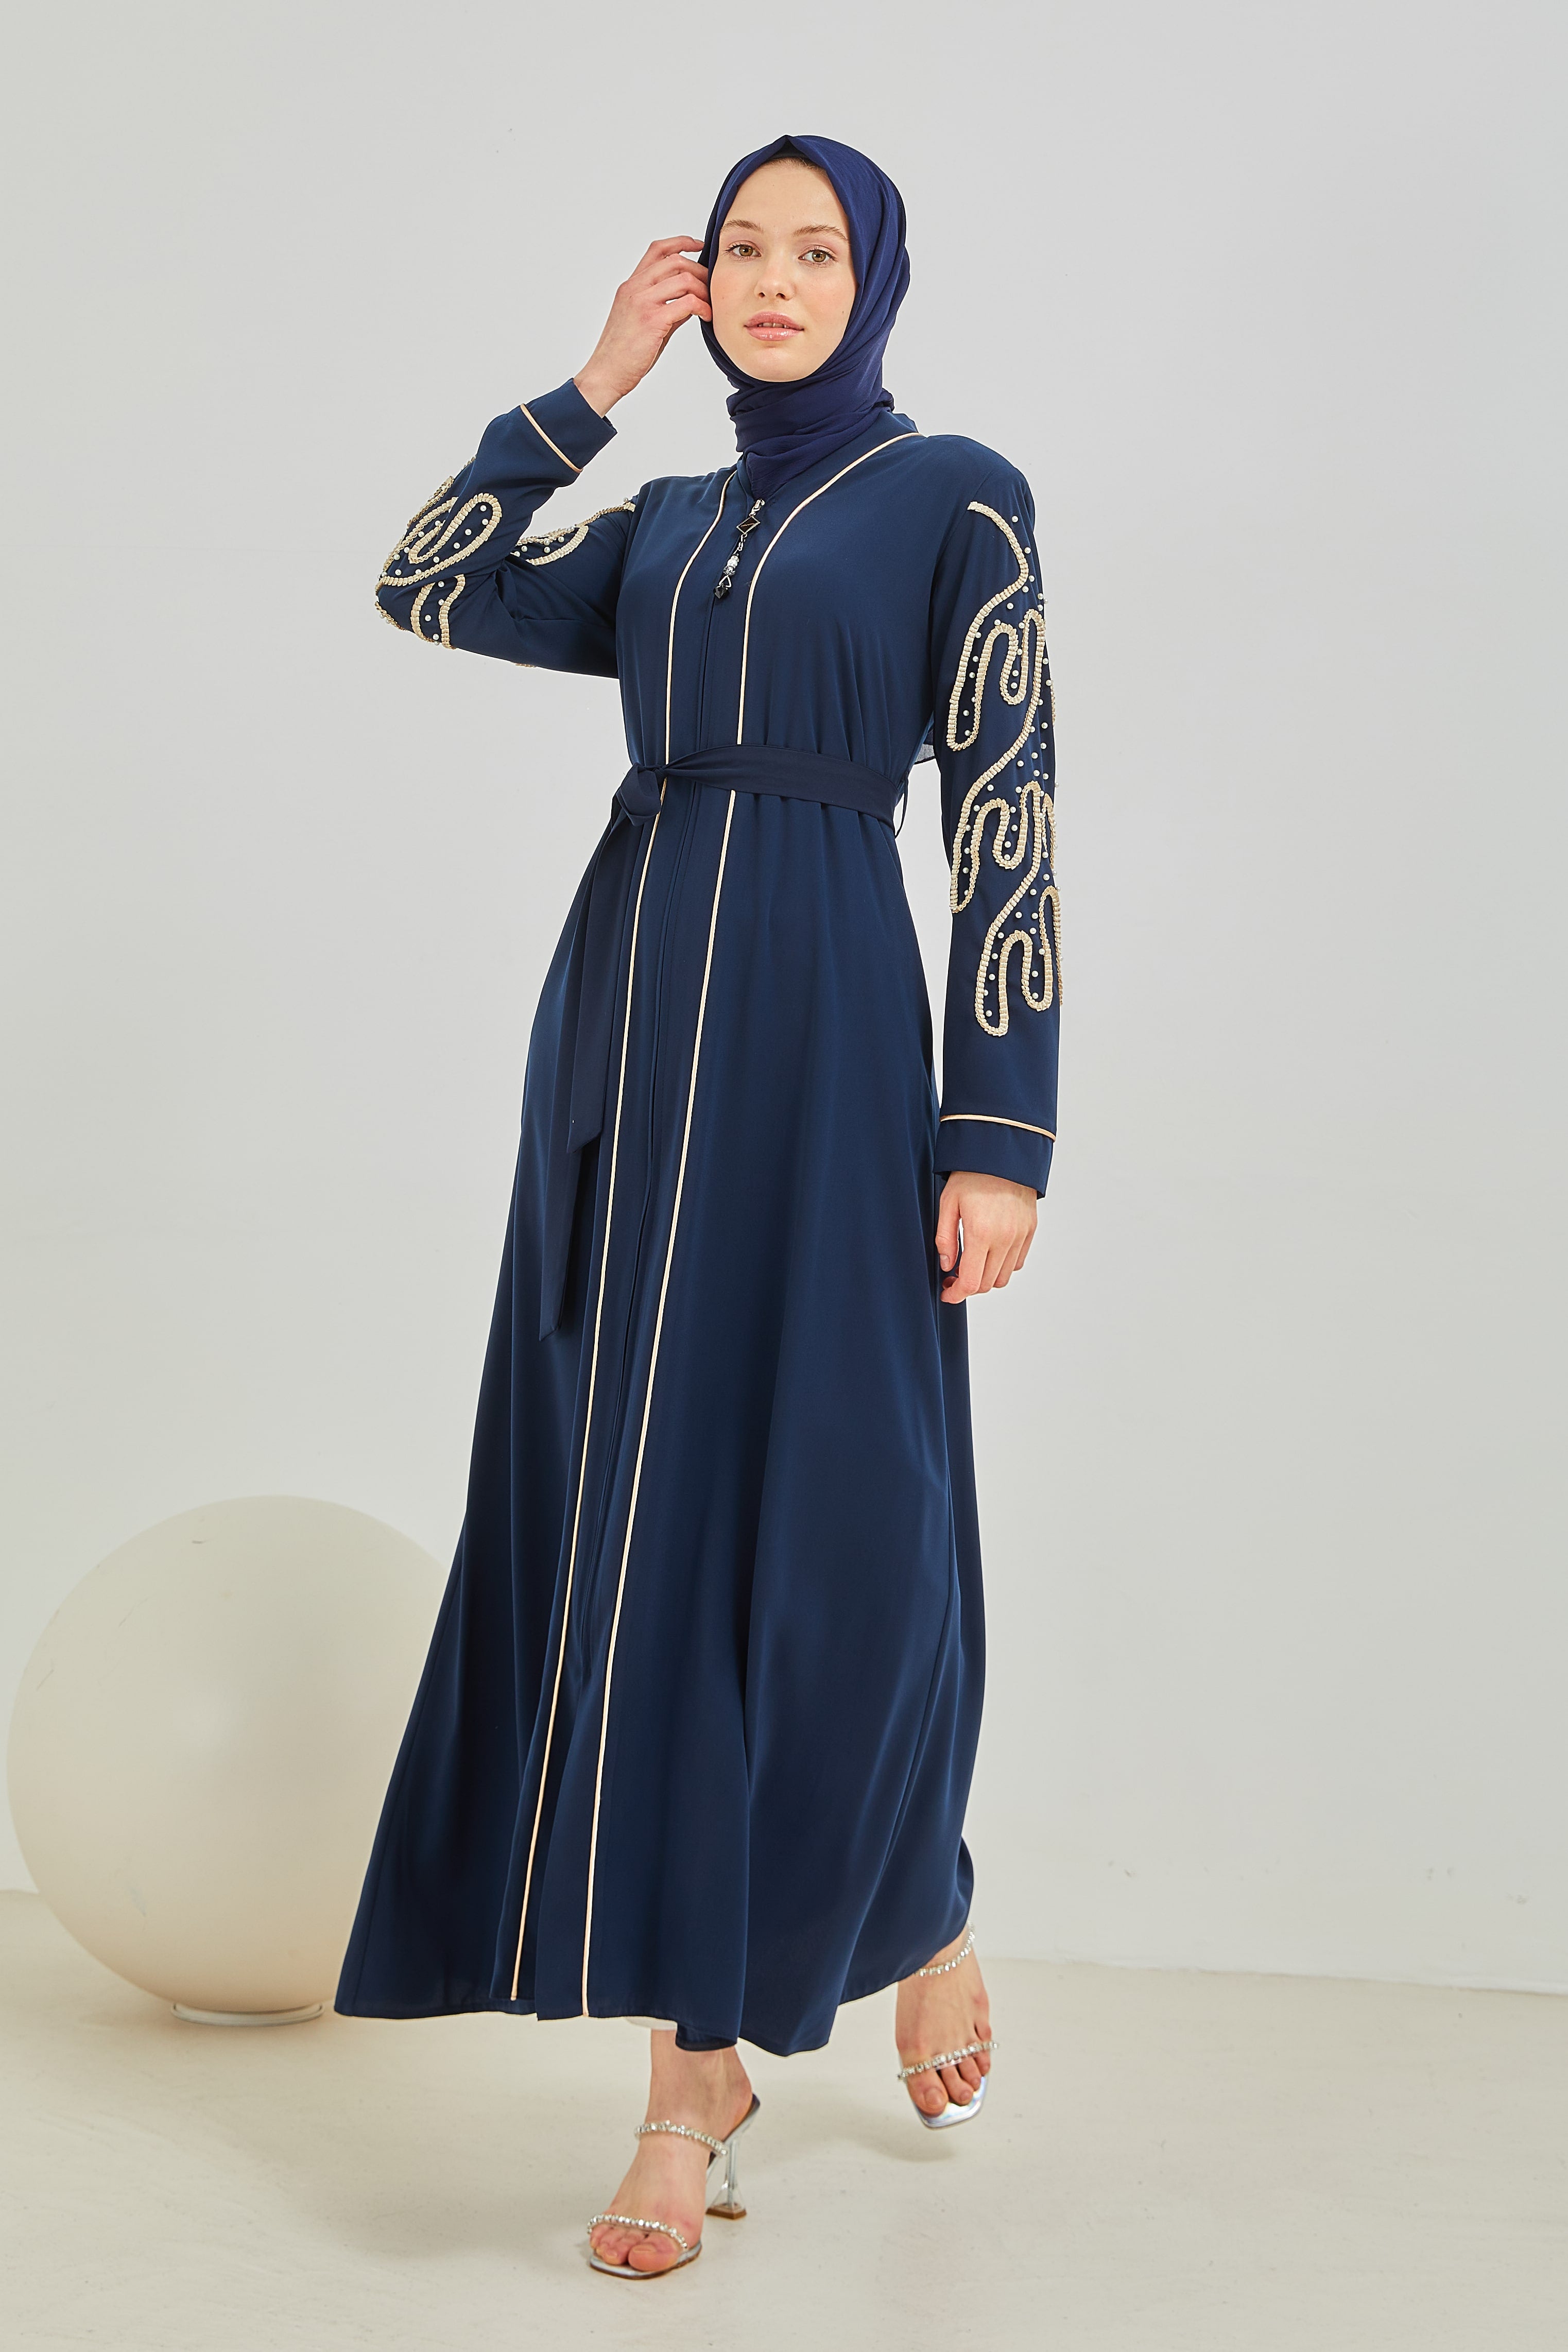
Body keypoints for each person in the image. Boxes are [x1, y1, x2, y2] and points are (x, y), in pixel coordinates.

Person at [336, 133, 1060, 2280]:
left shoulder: (957, 499)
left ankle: (920, 1898)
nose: (772, 278)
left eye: (814, 248)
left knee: (855, 1519)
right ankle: (690, 2084)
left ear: (877, 279)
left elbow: (1012, 810)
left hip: (834, 1034)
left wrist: (999, 1128)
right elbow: (430, 580)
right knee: (642, 1526)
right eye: (740, 247)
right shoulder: (662, 521)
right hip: (634, 1027)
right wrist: (590, 385)